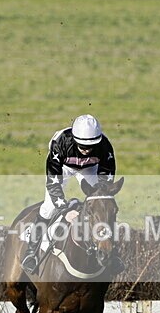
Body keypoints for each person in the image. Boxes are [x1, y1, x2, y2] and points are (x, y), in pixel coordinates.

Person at [21, 114, 116, 275]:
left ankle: (112, 253)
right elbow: (53, 182)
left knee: (103, 206)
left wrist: (99, 196)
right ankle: (31, 253)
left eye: (91, 146)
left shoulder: (105, 146)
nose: (87, 150)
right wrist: (64, 209)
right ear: (74, 139)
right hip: (63, 168)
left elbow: (105, 183)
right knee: (48, 208)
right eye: (82, 146)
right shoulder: (60, 143)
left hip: (90, 169)